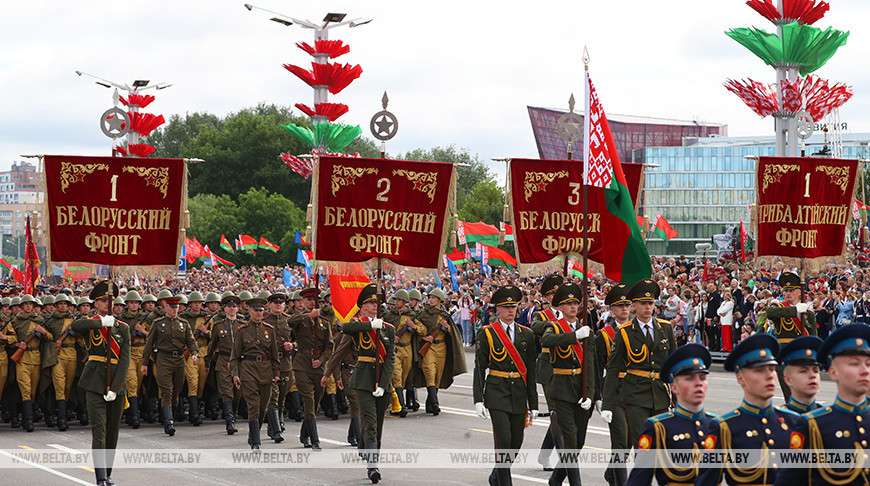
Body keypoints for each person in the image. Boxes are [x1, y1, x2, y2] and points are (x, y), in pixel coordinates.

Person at [695, 333, 807, 486]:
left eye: (772, 369)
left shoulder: (794, 422)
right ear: (740, 378)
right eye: (759, 371)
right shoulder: (724, 428)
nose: (769, 376)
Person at [473, 285, 538, 486]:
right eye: (506, 307)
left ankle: (496, 475)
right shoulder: (487, 333)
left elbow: (530, 371)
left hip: (518, 393)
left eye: (514, 306)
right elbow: (479, 368)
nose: (511, 310)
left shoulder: (526, 334)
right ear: (498, 309)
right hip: (496, 392)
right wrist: (478, 399)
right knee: (503, 442)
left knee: (516, 442)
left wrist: (533, 403)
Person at [626, 344, 715, 486]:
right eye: (689, 379)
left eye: (702, 378)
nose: (698, 383)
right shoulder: (659, 428)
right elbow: (638, 481)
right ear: (673, 387)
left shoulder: (717, 426)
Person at [602, 279, 677, 449]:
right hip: (635, 396)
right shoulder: (624, 332)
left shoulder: (665, 328)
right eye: (643, 303)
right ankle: (640, 475)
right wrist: (607, 403)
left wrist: (678, 400)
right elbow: (613, 368)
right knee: (643, 444)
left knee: (659, 444)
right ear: (634, 305)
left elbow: (674, 366)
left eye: (650, 303)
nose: (648, 307)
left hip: (660, 395)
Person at [71, 281, 130, 486]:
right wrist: (100, 323)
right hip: (95, 381)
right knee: (100, 431)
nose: (108, 304)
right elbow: (74, 326)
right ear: (96, 303)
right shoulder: (91, 322)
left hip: (115, 384)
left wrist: (116, 387)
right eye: (103, 301)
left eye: (110, 300)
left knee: (112, 433)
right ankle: (101, 477)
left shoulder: (123, 328)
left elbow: (125, 361)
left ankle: (109, 473)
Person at [541, 282, 596, 486]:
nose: (573, 307)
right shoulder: (554, 326)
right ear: (560, 307)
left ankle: (556, 479)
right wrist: (574, 337)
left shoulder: (586, 329)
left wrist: (592, 394)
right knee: (570, 440)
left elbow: (591, 364)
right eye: (568, 303)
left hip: (581, 391)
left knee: (579, 442)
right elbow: (547, 340)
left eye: (576, 303)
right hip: (562, 390)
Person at [342, 284, 397, 484]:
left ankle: (369, 451)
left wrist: (384, 383)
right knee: (371, 422)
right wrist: (369, 325)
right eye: (371, 303)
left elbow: (390, 358)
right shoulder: (360, 324)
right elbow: (345, 327)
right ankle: (373, 466)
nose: (375, 306)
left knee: (379, 425)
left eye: (377, 302)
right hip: (364, 379)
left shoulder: (388, 328)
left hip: (382, 380)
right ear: (362, 307)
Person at [803, 324, 870, 485]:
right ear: (833, 372)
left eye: (868, 363)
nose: (865, 370)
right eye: (854, 364)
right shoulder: (812, 426)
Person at [140, 293, 199, 436]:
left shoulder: (183, 324)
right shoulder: (158, 323)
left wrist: (195, 353)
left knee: (176, 390)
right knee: (166, 390)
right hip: (163, 360)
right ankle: (168, 422)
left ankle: (170, 413)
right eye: (172, 307)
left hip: (179, 360)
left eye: (176, 307)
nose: (175, 310)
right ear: (166, 307)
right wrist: (144, 363)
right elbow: (149, 344)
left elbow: (191, 341)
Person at [229, 296, 280, 451]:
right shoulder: (242, 331)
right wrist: (235, 374)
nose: (259, 313)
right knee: (253, 406)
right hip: (248, 370)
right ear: (249, 311)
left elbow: (275, 355)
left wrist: (276, 374)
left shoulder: (269, 330)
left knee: (263, 407)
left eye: (261, 310)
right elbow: (235, 356)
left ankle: (253, 436)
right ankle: (257, 443)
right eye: (256, 310)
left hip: (265, 371)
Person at [287, 287, 334, 450]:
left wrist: (321, 360)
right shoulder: (300, 319)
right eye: (308, 300)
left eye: (315, 300)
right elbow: (290, 322)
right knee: (308, 399)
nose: (312, 302)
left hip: (318, 365)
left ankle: (304, 434)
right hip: (302, 364)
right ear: (303, 302)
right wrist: (308, 316)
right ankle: (315, 440)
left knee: (315, 403)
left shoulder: (324, 322)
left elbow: (330, 346)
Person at [596, 283, 631, 486]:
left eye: (627, 305)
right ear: (612, 309)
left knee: (629, 442)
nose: (624, 309)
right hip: (614, 392)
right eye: (620, 306)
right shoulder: (604, 335)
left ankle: (611, 473)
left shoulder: (638, 331)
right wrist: (600, 397)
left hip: (635, 392)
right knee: (620, 438)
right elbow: (598, 367)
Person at [411, 288, 466, 416]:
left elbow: (454, 334)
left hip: (442, 349)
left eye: (433, 298)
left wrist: (446, 327)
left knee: (437, 377)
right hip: (428, 348)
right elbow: (416, 330)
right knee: (429, 372)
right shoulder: (423, 313)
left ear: (439, 300)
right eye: (429, 297)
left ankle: (430, 403)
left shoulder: (444, 315)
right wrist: (424, 338)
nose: (430, 300)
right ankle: (435, 404)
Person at [763, 272, 817, 401]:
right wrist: (795, 311)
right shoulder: (779, 307)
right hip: (784, 355)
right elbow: (770, 313)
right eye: (785, 291)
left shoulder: (808, 313)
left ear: (799, 292)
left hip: (802, 355)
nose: (787, 294)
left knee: (804, 392)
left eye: (791, 290)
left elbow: (814, 337)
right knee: (791, 395)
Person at [530, 274, 563, 471]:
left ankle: (543, 455)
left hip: (568, 368)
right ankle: (564, 459)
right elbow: (535, 327)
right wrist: (555, 324)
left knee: (561, 413)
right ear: (546, 297)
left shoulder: (570, 314)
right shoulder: (542, 315)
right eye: (552, 294)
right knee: (556, 412)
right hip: (549, 366)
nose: (555, 297)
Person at [7, 294, 53, 432]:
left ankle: (29, 416)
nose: (28, 306)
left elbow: (50, 337)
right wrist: (17, 344)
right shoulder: (15, 322)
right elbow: (10, 338)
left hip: (36, 357)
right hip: (21, 358)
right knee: (25, 390)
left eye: (30, 304)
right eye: (25, 304)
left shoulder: (39, 320)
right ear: (21, 306)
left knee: (33, 390)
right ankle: (28, 421)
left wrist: (43, 332)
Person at [204, 293, 242, 435]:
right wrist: (207, 362)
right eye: (229, 306)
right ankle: (229, 421)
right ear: (224, 309)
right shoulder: (218, 325)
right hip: (224, 360)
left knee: (238, 393)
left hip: (239, 362)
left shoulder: (242, 325)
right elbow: (212, 345)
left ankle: (234, 415)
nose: (232, 309)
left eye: (234, 306)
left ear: (238, 309)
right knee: (227, 393)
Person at [383, 289, 416, 417]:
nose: (396, 302)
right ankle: (400, 406)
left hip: (407, 349)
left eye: (399, 300)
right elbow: (382, 329)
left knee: (403, 378)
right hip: (394, 349)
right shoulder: (389, 315)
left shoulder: (411, 315)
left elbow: (422, 331)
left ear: (404, 301)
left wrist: (414, 326)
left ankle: (396, 403)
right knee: (396, 376)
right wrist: (391, 337)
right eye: (395, 300)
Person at [264, 291, 291, 443]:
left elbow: (300, 340)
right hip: (269, 364)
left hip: (286, 363)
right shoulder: (264, 320)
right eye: (275, 303)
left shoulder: (289, 321)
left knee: (282, 395)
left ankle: (276, 422)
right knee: (272, 396)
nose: (279, 305)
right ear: (269, 305)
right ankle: (276, 430)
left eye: (281, 303)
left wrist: (292, 345)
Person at [777, 335, 823, 413]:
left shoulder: (829, 418)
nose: (812, 375)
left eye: (815, 371)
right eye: (803, 371)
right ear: (788, 379)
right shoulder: (778, 420)